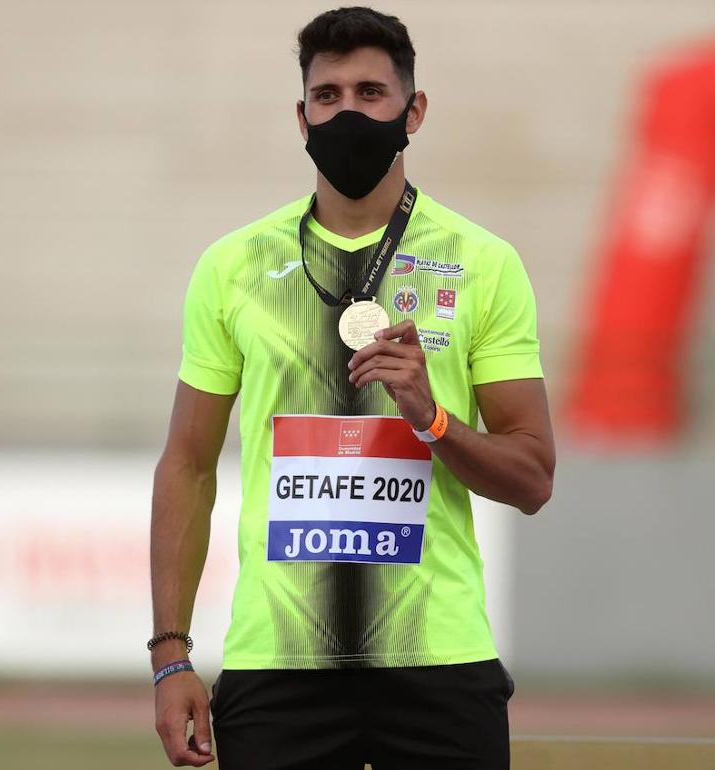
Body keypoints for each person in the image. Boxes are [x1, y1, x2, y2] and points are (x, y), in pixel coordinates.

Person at [149, 7, 555, 768]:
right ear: (301, 118)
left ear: (414, 109)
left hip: (439, 664)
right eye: (327, 96)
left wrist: (433, 418)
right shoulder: (232, 267)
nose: (348, 112)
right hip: (278, 669)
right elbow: (187, 465)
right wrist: (171, 658)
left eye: (371, 92)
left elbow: (533, 478)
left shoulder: (482, 264)